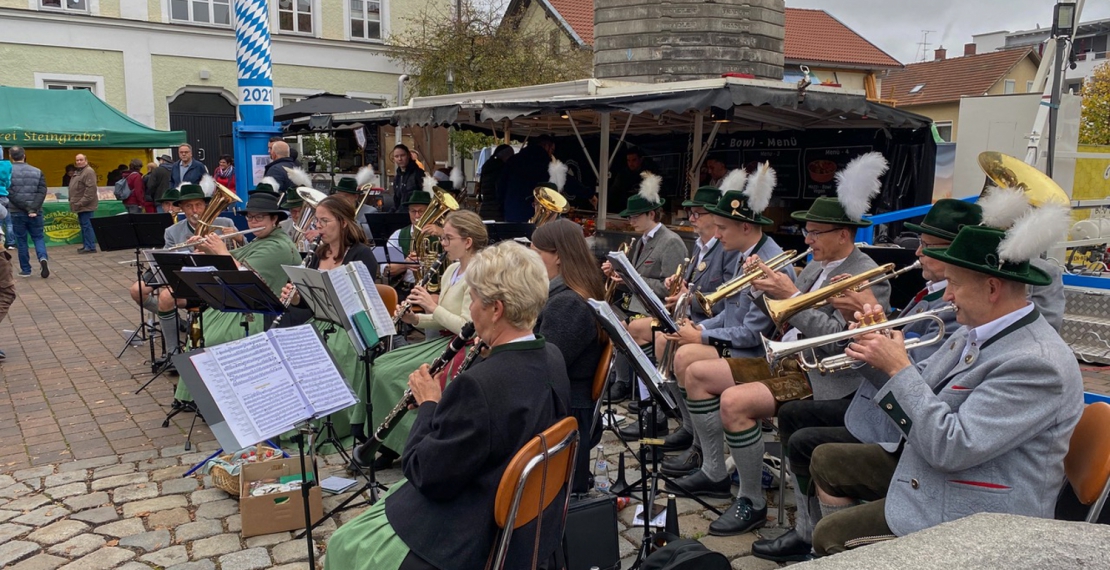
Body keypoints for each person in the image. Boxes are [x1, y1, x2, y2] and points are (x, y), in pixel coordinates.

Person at [809, 215, 1083, 555]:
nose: (948, 296)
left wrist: (898, 368)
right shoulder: (976, 332)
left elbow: (952, 448)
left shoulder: (1037, 363)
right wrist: (874, 353)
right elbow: (921, 387)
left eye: (954, 284)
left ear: (992, 287)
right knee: (825, 467)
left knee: (830, 535)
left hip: (979, 516)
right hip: (942, 478)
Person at [665, 153, 892, 536]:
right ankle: (718, 473)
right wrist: (760, 292)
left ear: (843, 234)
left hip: (825, 377)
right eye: (807, 232)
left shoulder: (868, 276)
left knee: (733, 401)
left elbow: (840, 344)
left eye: (815, 232)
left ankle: (752, 501)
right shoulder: (818, 267)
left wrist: (788, 293)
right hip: (790, 360)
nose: (807, 239)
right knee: (699, 372)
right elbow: (780, 318)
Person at [325, 240, 571, 570]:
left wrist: (429, 404)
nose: (470, 310)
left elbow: (427, 475)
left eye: (474, 300)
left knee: (344, 544)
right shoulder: (552, 356)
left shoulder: (479, 386)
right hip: (530, 517)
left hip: (469, 531)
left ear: (496, 310)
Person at [752, 199, 975, 562]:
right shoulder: (816, 271)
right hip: (867, 394)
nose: (916, 254)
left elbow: (907, 369)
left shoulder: (937, 302)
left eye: (926, 248)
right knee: (794, 419)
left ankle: (820, 540)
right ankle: (806, 529)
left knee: (810, 442)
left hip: (883, 409)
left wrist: (870, 321)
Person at [366, 210, 488, 469]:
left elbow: (470, 327)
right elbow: (443, 318)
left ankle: (402, 443)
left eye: (448, 238)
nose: (443, 244)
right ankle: (385, 438)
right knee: (383, 363)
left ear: (467, 242)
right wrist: (414, 319)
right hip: (445, 342)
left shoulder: (479, 274)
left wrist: (432, 307)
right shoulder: (453, 269)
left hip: (465, 349)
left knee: (394, 374)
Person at [172, 190, 302, 405]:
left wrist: (221, 250)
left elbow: (244, 277)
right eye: (250, 217)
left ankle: (223, 399)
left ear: (274, 218)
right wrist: (207, 249)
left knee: (214, 337)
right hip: (242, 303)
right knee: (200, 331)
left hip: (263, 311)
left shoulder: (278, 245)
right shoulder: (262, 239)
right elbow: (232, 262)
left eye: (259, 217)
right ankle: (206, 398)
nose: (252, 222)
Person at [279, 196, 379, 440]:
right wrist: (295, 298)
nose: (319, 228)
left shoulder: (362, 255)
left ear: (343, 222)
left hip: (350, 327)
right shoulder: (316, 254)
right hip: (319, 322)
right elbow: (308, 307)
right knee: (287, 349)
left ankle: (336, 424)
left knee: (329, 350)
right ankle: (301, 421)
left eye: (325, 221)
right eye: (317, 222)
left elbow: (361, 302)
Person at [531, 218, 606, 493]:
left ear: (558, 257)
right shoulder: (563, 295)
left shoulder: (568, 303)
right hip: (559, 399)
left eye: (537, 252)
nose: (531, 259)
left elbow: (545, 365)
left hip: (563, 408)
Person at [128, 181, 239, 363]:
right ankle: (173, 352)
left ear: (206, 206)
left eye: (198, 205)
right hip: (188, 280)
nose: (195, 210)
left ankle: (173, 320)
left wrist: (239, 237)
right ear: (182, 209)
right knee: (151, 293)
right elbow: (168, 262)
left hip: (219, 280)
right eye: (189, 206)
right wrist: (189, 253)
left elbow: (243, 253)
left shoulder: (225, 223)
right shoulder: (172, 231)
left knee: (165, 297)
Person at [601, 172, 687, 406]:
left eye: (635, 216)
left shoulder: (670, 242)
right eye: (630, 217)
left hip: (656, 310)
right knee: (605, 318)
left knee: (623, 326)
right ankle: (621, 379)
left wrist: (631, 278)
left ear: (651, 214)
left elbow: (672, 287)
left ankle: (633, 386)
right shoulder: (641, 240)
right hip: (636, 304)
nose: (631, 221)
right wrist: (618, 274)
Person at [383, 187, 440, 297]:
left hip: (434, 292)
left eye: (421, 211)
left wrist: (443, 234)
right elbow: (387, 271)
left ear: (430, 212)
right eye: (413, 211)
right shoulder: (398, 235)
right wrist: (405, 264)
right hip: (405, 291)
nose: (417, 215)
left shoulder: (442, 235)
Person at [7, 146, 50, 278]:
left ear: (10, 156)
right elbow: (42, 191)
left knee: (21, 241)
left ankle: (26, 269)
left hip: (17, 212)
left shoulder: (7, 173)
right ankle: (43, 258)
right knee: (38, 237)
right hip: (36, 211)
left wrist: (26, 207)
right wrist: (33, 208)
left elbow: (9, 193)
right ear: (24, 155)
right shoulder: (37, 171)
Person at [497, 135, 555, 223]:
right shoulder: (545, 163)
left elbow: (501, 185)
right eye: (552, 150)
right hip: (535, 212)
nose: (551, 153)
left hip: (511, 210)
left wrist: (503, 205)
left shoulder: (513, 160)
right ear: (546, 146)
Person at [608, 149, 657, 215]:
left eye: (634, 160)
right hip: (624, 210)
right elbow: (614, 191)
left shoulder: (650, 174)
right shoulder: (622, 174)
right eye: (628, 160)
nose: (631, 163)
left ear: (641, 160)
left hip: (644, 211)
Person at [69, 153, 99, 254]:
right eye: (77, 160)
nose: (79, 162)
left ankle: (90, 246)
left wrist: (82, 202)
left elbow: (91, 189)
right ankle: (86, 245)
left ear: (86, 160)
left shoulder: (88, 171)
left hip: (86, 205)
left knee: (87, 226)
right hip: (80, 204)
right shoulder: (80, 171)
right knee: (84, 225)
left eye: (81, 160)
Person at [477, 144, 513, 221]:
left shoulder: (487, 165)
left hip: (484, 209)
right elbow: (501, 190)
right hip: (497, 211)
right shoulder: (502, 168)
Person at [390, 144, 424, 213]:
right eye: (396, 156)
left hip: (416, 214)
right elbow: (396, 201)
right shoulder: (397, 178)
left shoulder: (418, 173)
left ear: (408, 155)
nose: (400, 159)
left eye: (402, 155)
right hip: (400, 216)